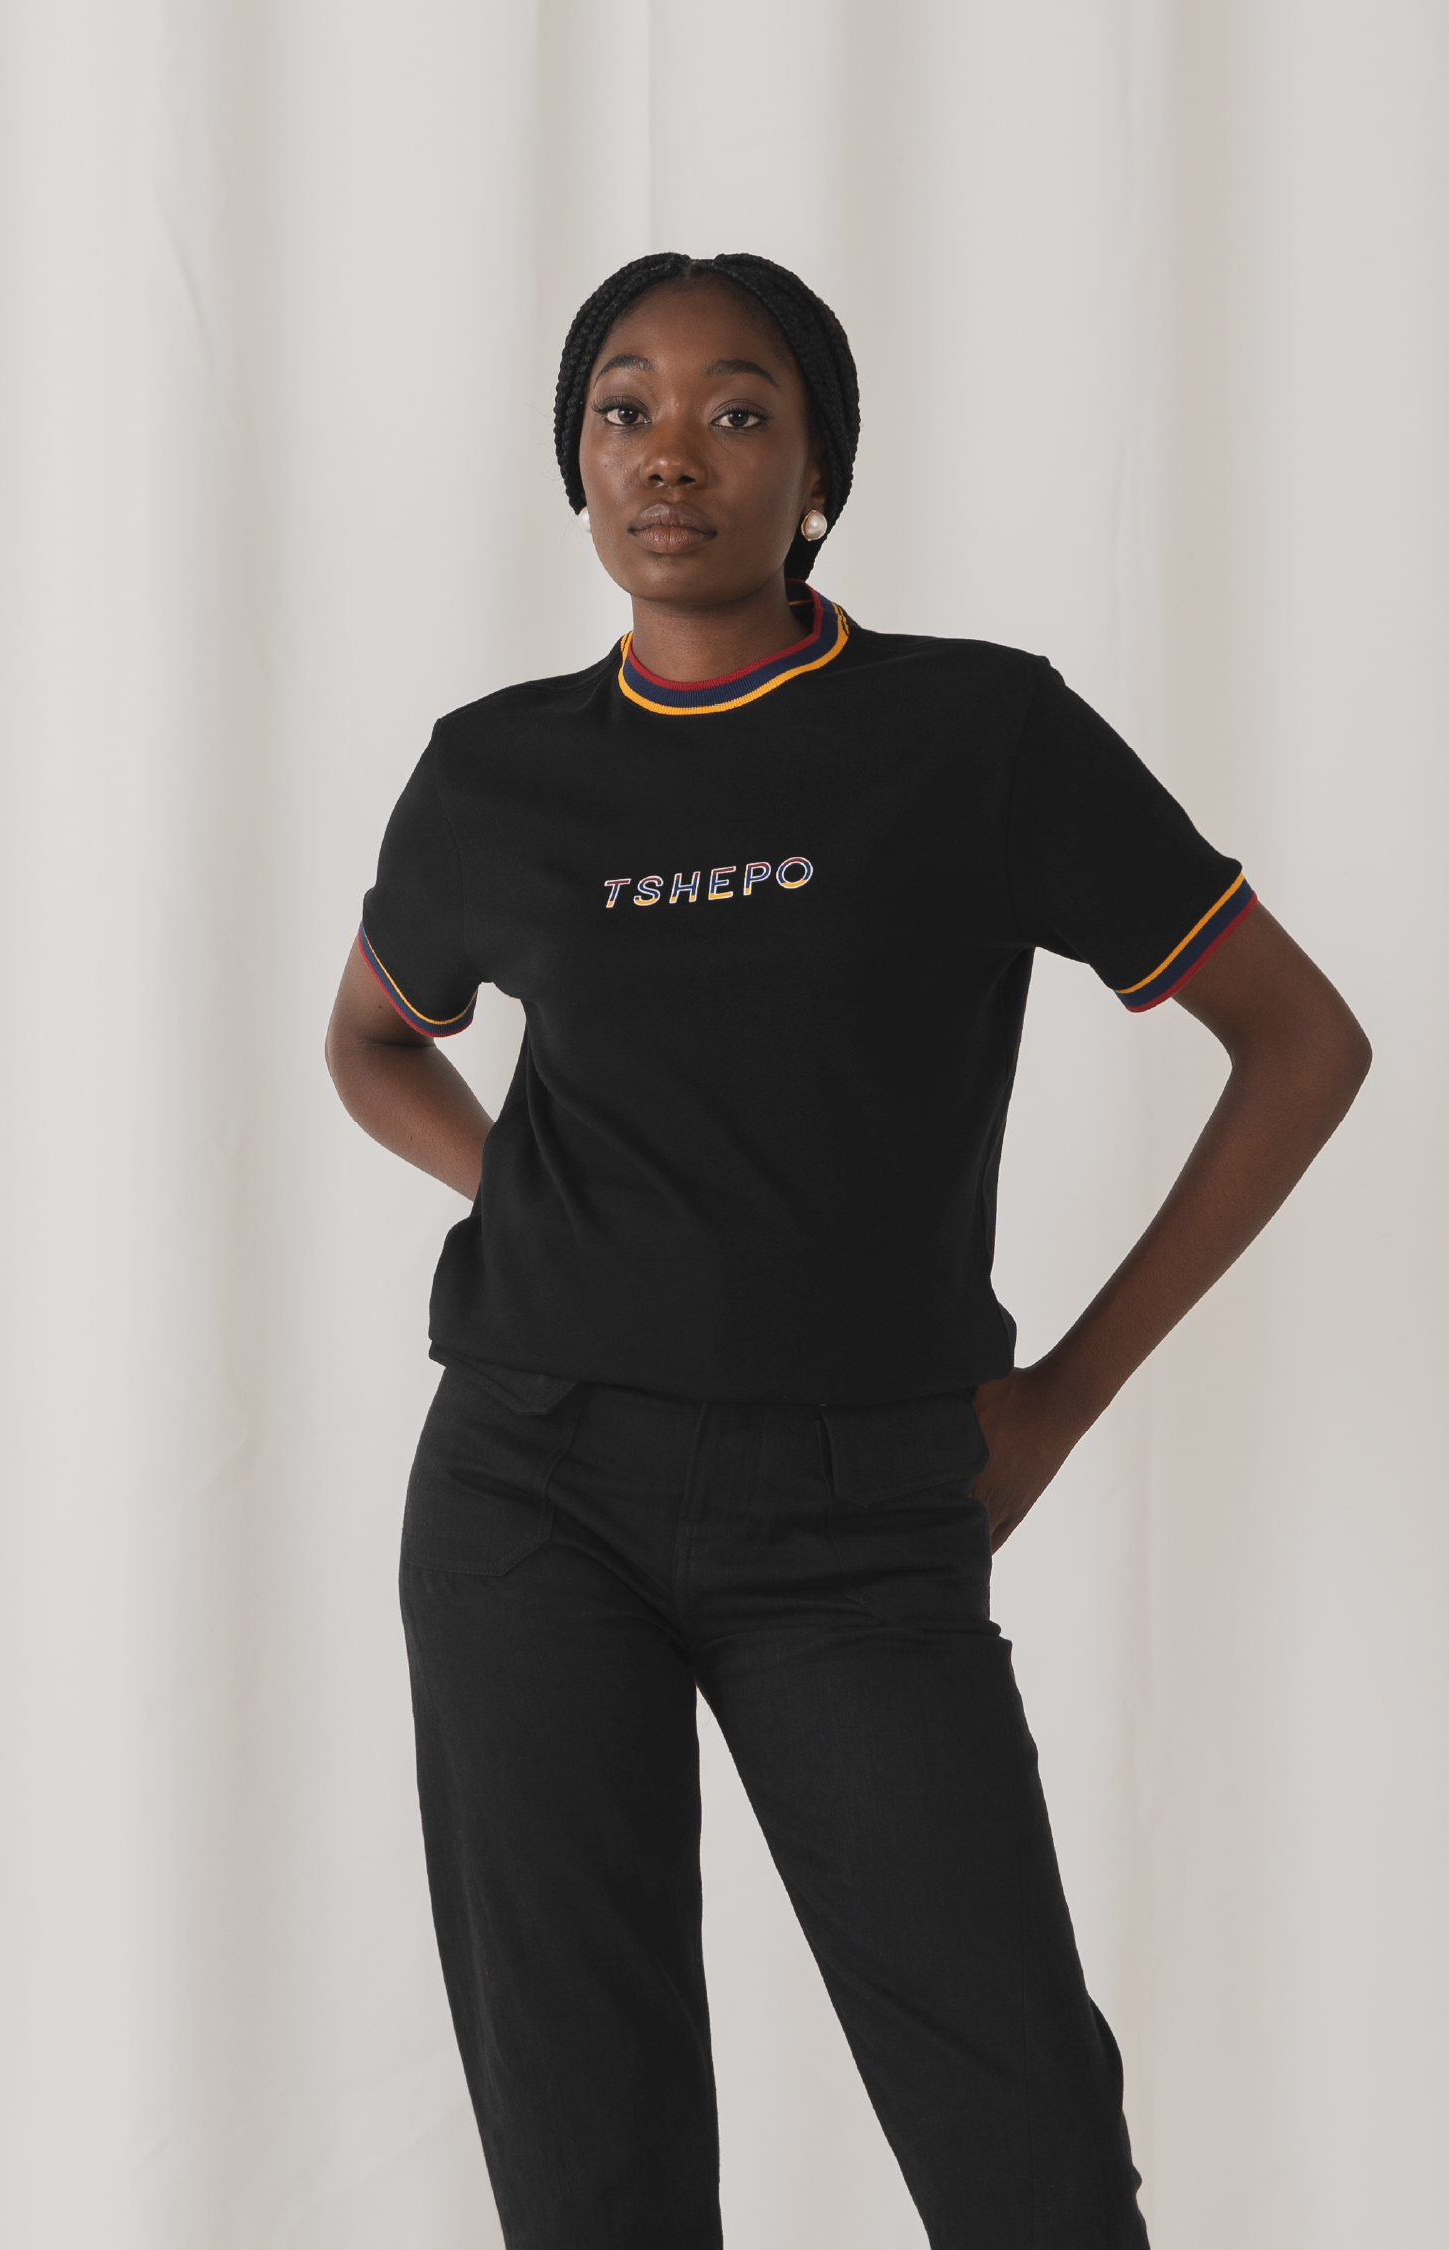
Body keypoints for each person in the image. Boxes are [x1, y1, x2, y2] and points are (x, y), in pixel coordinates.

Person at [326, 250, 1370, 2250]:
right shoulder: (494, 770)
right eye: (623, 409)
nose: (671, 453)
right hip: (526, 1493)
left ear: (819, 475)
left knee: (1025, 2147)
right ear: (574, 463)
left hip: (855, 1513)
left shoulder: (974, 733)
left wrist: (1055, 1399)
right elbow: (371, 1039)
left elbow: (1301, 1042)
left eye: (738, 411)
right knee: (589, 2155)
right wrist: (532, 1188)